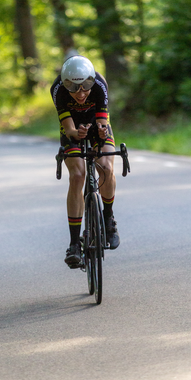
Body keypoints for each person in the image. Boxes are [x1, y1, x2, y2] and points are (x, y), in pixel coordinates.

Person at [51, 55, 120, 267]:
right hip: (72, 129)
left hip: (96, 126)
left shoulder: (99, 84)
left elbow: (102, 120)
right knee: (78, 175)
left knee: (106, 168)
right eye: (74, 89)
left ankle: (108, 220)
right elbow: (69, 127)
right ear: (66, 84)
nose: (81, 94)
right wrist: (76, 133)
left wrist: (99, 132)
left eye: (85, 87)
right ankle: (74, 244)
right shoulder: (58, 89)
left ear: (91, 81)